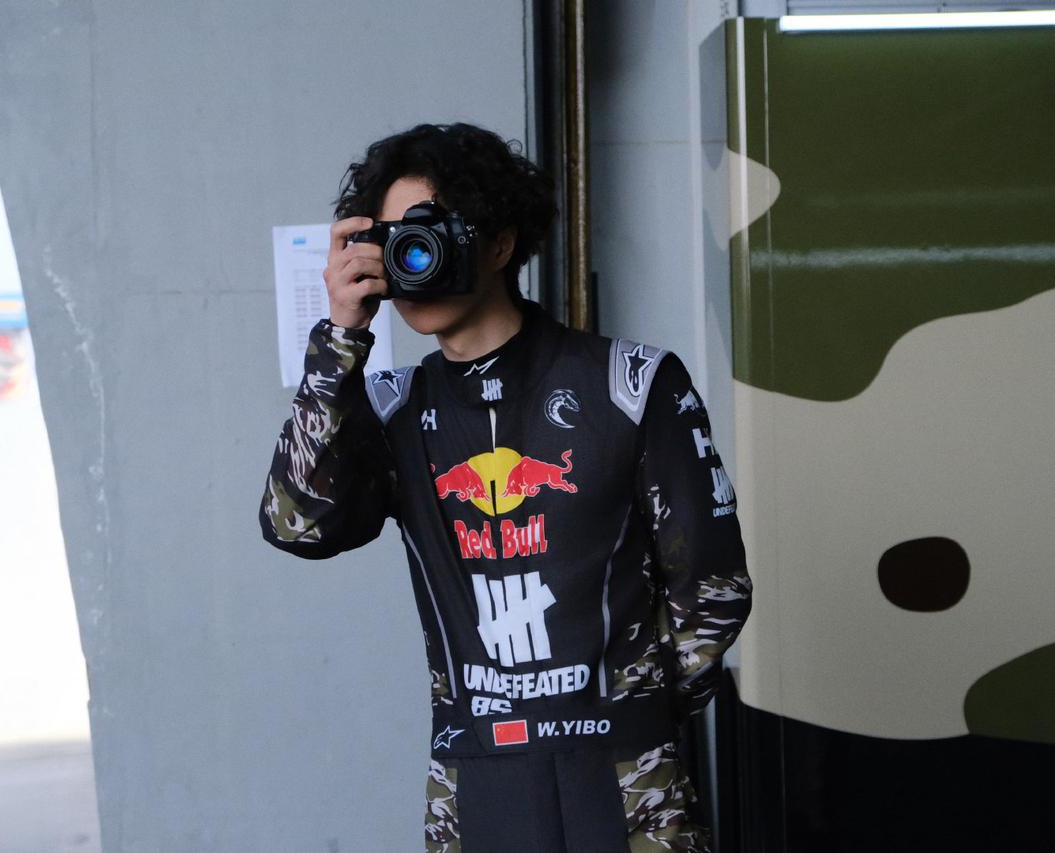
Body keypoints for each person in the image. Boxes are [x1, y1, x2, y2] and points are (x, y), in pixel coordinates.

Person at [259, 122, 752, 853]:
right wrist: (339, 340)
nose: (411, 257)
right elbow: (297, 524)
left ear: (499, 243)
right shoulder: (393, 407)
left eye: (430, 233)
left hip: (629, 776)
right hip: (471, 777)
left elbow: (714, 588)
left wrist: (631, 717)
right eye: (392, 240)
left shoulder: (632, 384)